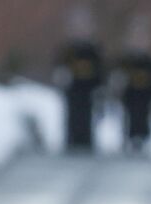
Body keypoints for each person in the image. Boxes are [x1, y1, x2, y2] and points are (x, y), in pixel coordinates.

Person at [55, 8, 104, 152]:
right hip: (73, 88)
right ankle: (72, 140)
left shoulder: (93, 49)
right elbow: (60, 65)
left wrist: (99, 86)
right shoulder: (68, 48)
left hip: (88, 88)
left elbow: (100, 69)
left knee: (87, 115)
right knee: (72, 114)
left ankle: (86, 140)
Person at [115, 20, 151, 153]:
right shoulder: (126, 60)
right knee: (130, 117)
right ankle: (129, 139)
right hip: (131, 96)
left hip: (145, 97)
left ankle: (144, 139)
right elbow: (119, 77)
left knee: (144, 117)